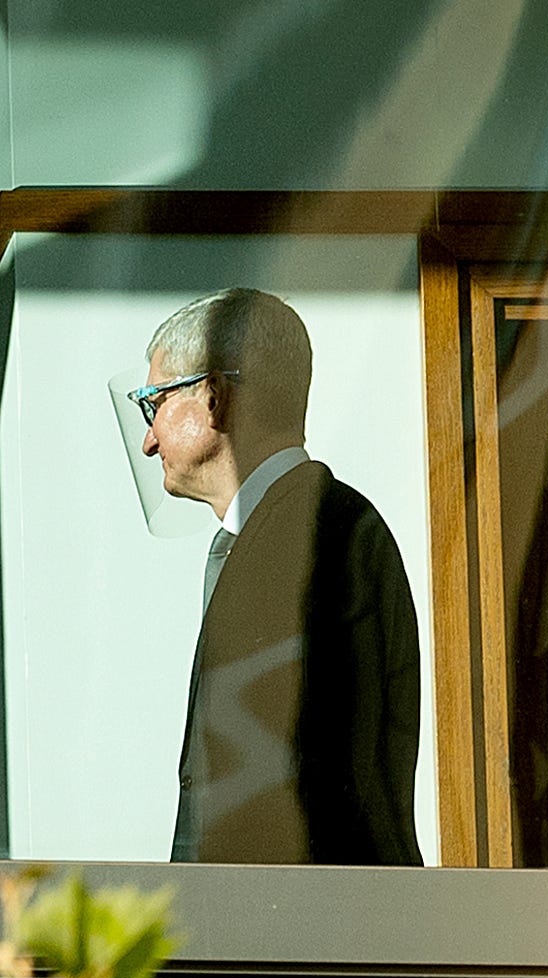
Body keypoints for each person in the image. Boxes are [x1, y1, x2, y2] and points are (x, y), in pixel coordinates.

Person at [132, 288, 422, 865]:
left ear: (211, 398)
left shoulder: (319, 531)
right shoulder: (304, 525)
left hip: (299, 940)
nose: (148, 442)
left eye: (153, 404)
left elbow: (302, 787)